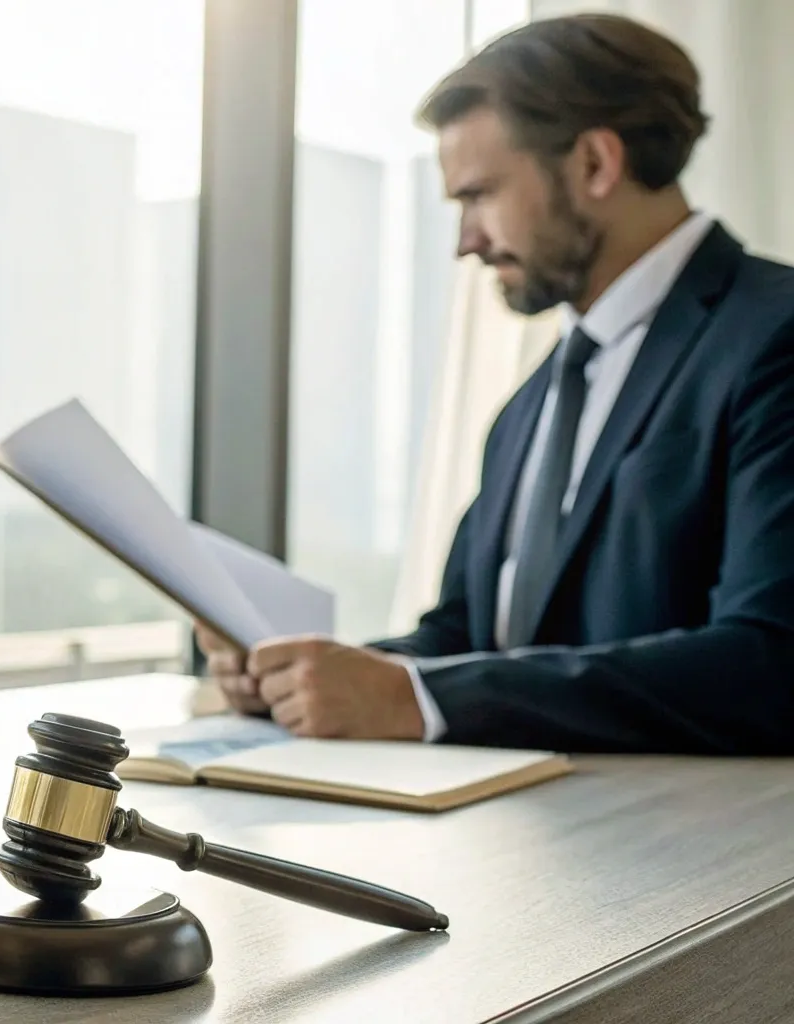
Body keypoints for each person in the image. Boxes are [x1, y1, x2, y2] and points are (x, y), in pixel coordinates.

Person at [198, 13, 794, 754]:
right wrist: (307, 682)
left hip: (702, 859)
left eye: (479, 194)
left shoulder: (776, 335)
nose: (466, 241)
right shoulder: (531, 402)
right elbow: (468, 636)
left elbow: (771, 663)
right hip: (523, 845)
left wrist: (417, 700)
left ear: (596, 164)